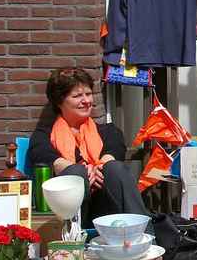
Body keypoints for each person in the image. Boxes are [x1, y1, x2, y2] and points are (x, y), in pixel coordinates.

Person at [27, 67, 149, 221]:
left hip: (105, 207)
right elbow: (42, 154)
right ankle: (72, 236)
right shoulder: (44, 135)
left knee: (114, 168)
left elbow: (115, 148)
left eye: (89, 94)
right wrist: (83, 172)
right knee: (76, 173)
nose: (86, 101)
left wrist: (99, 167)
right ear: (59, 101)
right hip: (71, 210)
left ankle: (144, 234)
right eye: (77, 96)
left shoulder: (107, 132)